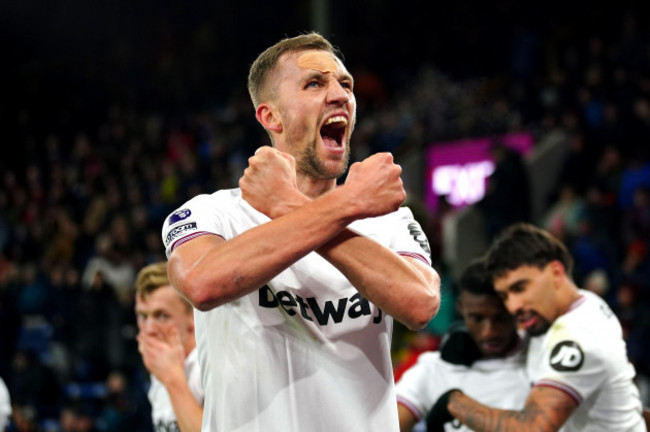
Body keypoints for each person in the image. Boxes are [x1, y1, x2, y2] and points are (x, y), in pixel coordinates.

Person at [163, 32, 441, 431]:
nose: (340, 94)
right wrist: (344, 206)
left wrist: (289, 207)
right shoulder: (213, 213)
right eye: (315, 83)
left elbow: (420, 304)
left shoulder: (388, 220)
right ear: (270, 117)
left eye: (345, 84)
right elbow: (202, 283)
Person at [438, 222, 646, 431]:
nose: (513, 305)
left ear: (556, 272)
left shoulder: (576, 334)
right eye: (504, 295)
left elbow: (533, 427)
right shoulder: (581, 303)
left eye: (520, 287)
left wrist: (454, 402)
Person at [395, 258, 529, 432]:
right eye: (477, 318)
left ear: (515, 308)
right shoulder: (435, 369)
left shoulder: (542, 356)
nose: (489, 332)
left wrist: (458, 405)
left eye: (500, 318)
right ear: (461, 307)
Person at [134, 262, 203, 432]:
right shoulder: (161, 366)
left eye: (162, 316)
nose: (149, 330)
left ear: (193, 317)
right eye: (143, 316)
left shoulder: (210, 366)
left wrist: (173, 379)